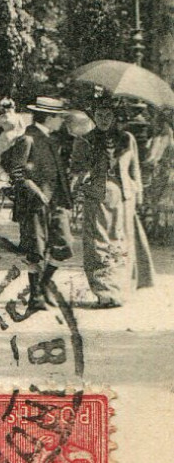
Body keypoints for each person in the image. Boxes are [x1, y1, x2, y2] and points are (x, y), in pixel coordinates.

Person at [70, 99, 155, 309]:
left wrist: (139, 195)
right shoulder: (85, 141)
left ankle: (120, 290)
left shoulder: (126, 139)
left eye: (108, 116)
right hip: (97, 198)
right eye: (100, 116)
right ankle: (104, 292)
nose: (104, 120)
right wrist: (86, 174)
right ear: (94, 117)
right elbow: (76, 171)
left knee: (122, 242)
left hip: (124, 199)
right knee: (98, 242)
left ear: (115, 117)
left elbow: (134, 169)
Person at [4, 94, 72, 309]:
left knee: (64, 245)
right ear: (48, 117)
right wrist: (37, 192)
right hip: (35, 204)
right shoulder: (28, 138)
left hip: (56, 202)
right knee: (37, 250)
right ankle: (36, 296)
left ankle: (41, 286)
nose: (62, 120)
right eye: (59, 117)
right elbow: (16, 172)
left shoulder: (52, 139)